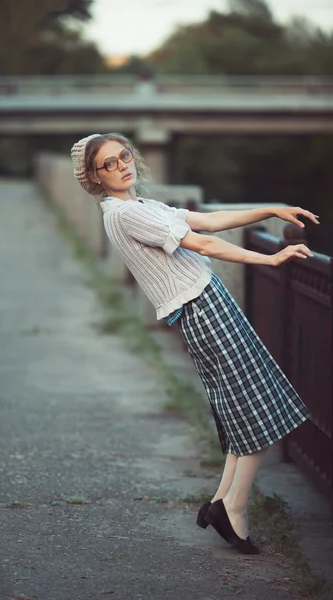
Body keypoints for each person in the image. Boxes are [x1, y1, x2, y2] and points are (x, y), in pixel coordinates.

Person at [71, 132, 317, 555]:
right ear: (93, 178)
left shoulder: (140, 206)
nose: (121, 166)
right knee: (255, 409)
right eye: (107, 164)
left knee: (245, 408)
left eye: (123, 156)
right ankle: (234, 509)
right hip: (203, 308)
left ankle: (223, 502)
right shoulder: (125, 215)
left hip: (206, 304)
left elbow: (206, 221)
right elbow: (199, 243)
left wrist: (270, 209)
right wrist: (269, 258)